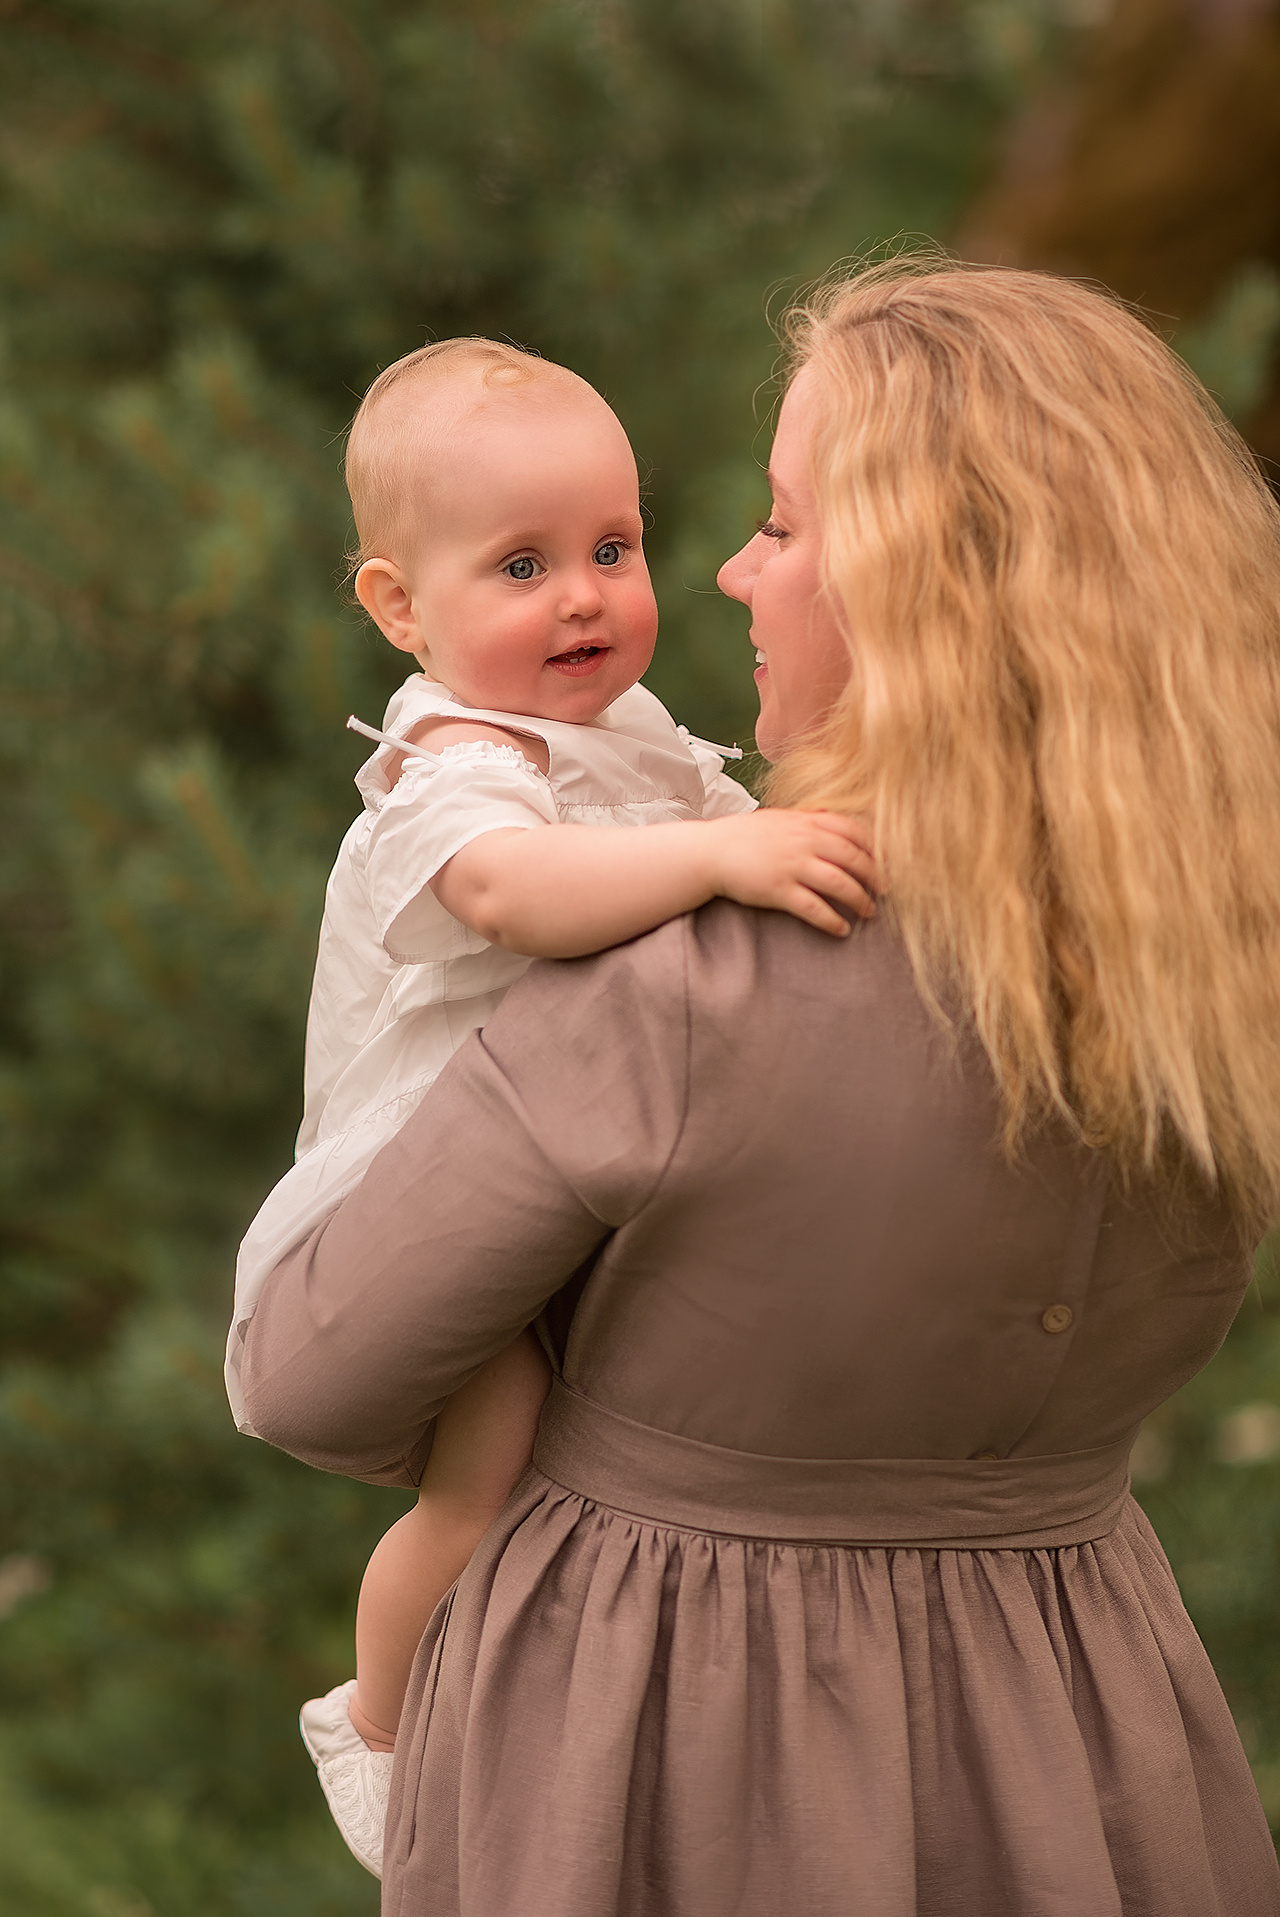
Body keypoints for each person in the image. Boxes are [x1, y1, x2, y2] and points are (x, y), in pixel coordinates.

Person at [239, 260, 1280, 1916]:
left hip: (663, 1757)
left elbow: (304, 1370)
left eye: (782, 527)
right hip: (1083, 1743)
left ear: (922, 593)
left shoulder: (677, 995)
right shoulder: (1213, 993)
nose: (726, 570)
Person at [225, 336, 879, 1874]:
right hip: (421, 1195)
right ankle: (380, 1722)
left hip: (575, 1186)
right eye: (521, 565)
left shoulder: (630, 736)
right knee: (486, 1478)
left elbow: (751, 841)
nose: (585, 596)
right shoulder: (448, 763)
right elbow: (519, 893)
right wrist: (726, 861)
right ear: (400, 605)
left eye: (612, 547)